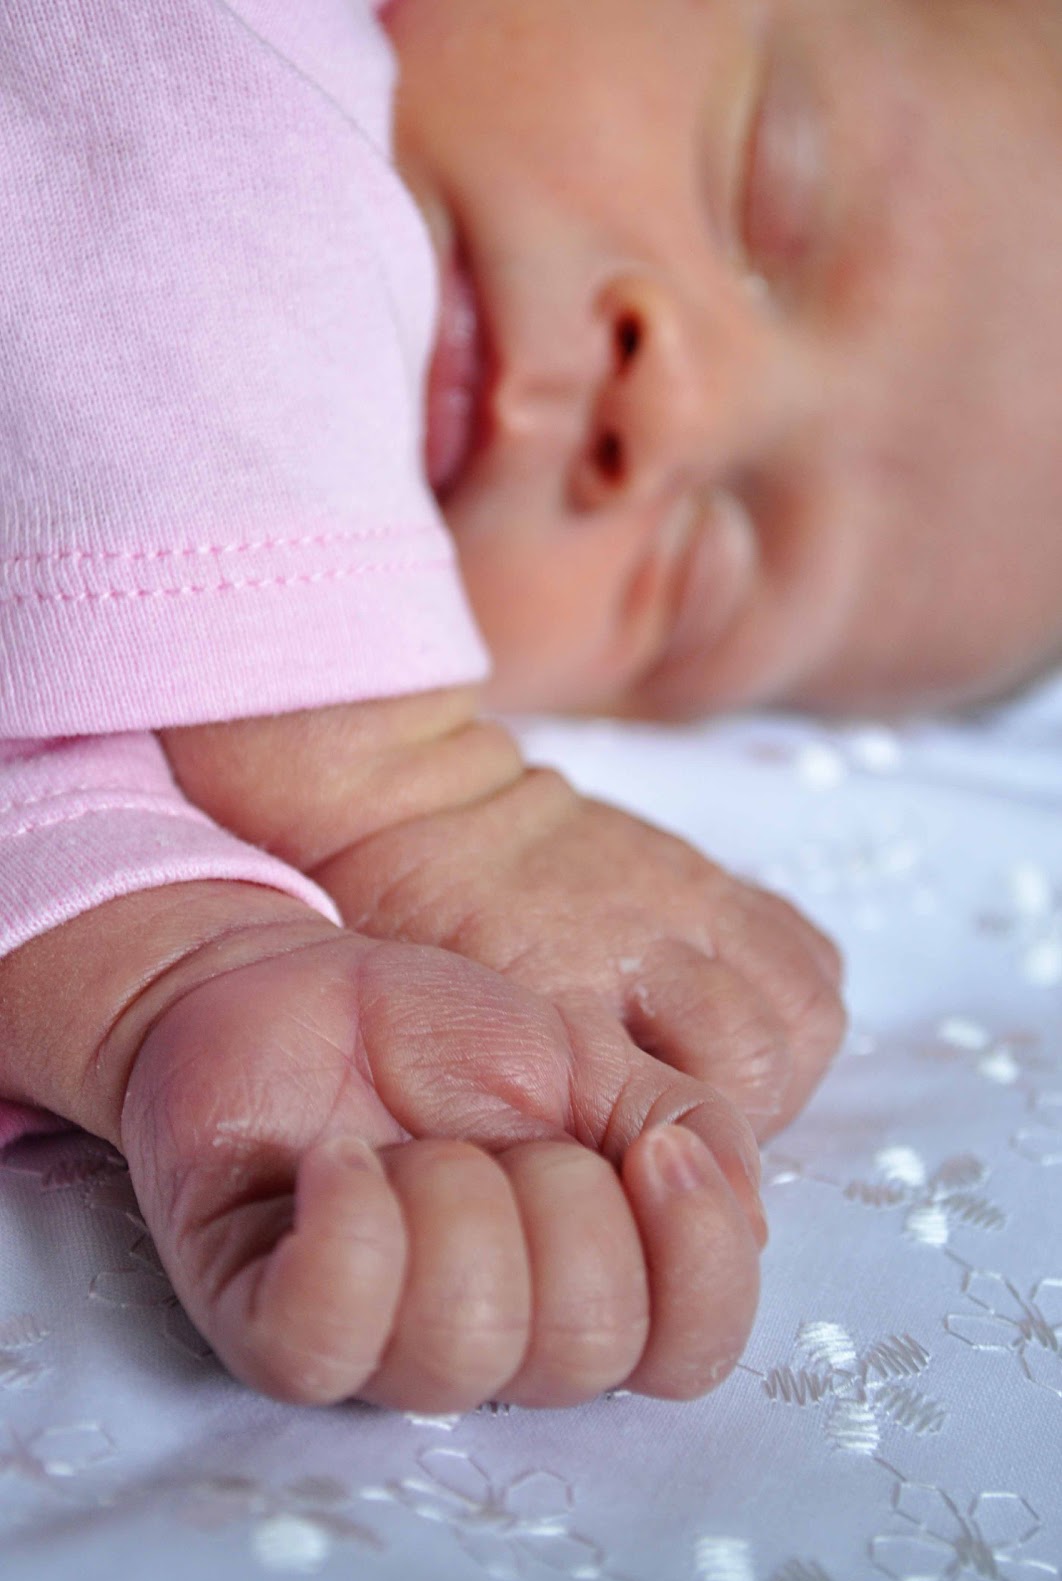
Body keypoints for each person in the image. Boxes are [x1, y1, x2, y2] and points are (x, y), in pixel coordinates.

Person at [2, 0, 1058, 1414]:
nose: (667, 411)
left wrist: (166, 980)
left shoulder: (186, 685)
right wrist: (396, 781)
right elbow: (130, 109)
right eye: (768, 190)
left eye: (701, 575)